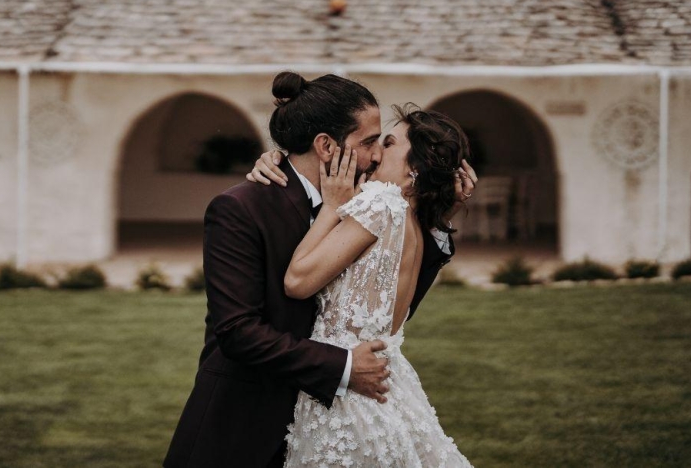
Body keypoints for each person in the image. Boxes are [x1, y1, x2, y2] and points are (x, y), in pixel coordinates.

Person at [163, 72, 476, 467]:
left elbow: (383, 307)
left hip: (334, 422)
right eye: (368, 142)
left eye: (382, 142)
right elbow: (237, 331)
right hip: (247, 425)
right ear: (326, 146)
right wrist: (344, 366)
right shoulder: (243, 208)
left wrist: (436, 218)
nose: (376, 154)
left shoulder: (372, 199)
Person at [276, 101, 476, 466]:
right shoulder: (414, 222)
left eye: (387, 144)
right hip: (388, 386)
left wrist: (332, 207)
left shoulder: (379, 205)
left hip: (345, 390)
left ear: (415, 167)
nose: (373, 153)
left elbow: (298, 281)